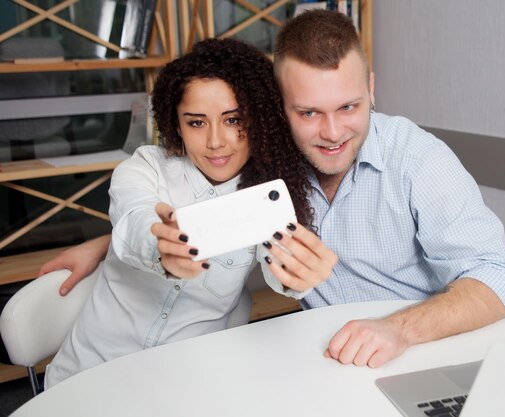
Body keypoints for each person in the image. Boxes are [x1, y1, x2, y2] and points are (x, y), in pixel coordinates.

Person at [41, 10, 505, 369]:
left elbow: (502, 279)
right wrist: (112, 244)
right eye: (308, 112)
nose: (333, 132)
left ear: (372, 89)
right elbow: (192, 209)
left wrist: (399, 328)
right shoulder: (267, 169)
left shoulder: (417, 159)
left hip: (429, 348)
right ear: (277, 108)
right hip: (330, 362)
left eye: (350, 106)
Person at [43, 37, 337, 388]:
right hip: (87, 378)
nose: (216, 141)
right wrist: (161, 249)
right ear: (176, 124)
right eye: (197, 122)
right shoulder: (144, 168)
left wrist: (295, 275)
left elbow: (279, 263)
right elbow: (135, 219)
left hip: (184, 386)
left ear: (258, 120)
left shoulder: (267, 195)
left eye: (233, 119)